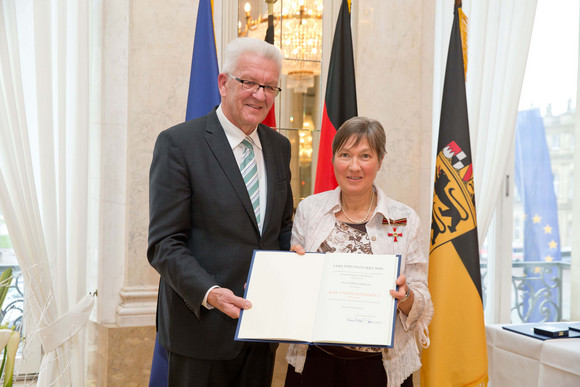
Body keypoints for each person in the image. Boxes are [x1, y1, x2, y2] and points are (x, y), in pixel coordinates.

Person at [147, 37, 294, 387]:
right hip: (200, 330)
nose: (259, 95)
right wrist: (209, 291)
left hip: (261, 330)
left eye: (269, 86)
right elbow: (164, 243)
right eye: (248, 82)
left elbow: (281, 225)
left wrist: (297, 257)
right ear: (224, 82)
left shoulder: (279, 147)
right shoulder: (179, 144)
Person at [285, 116, 433, 387]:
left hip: (380, 367)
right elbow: (297, 291)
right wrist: (293, 272)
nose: (354, 166)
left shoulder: (404, 218)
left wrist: (406, 296)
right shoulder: (310, 210)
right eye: (345, 155)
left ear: (380, 160)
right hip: (317, 361)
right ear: (333, 159)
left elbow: (421, 300)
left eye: (365, 155)